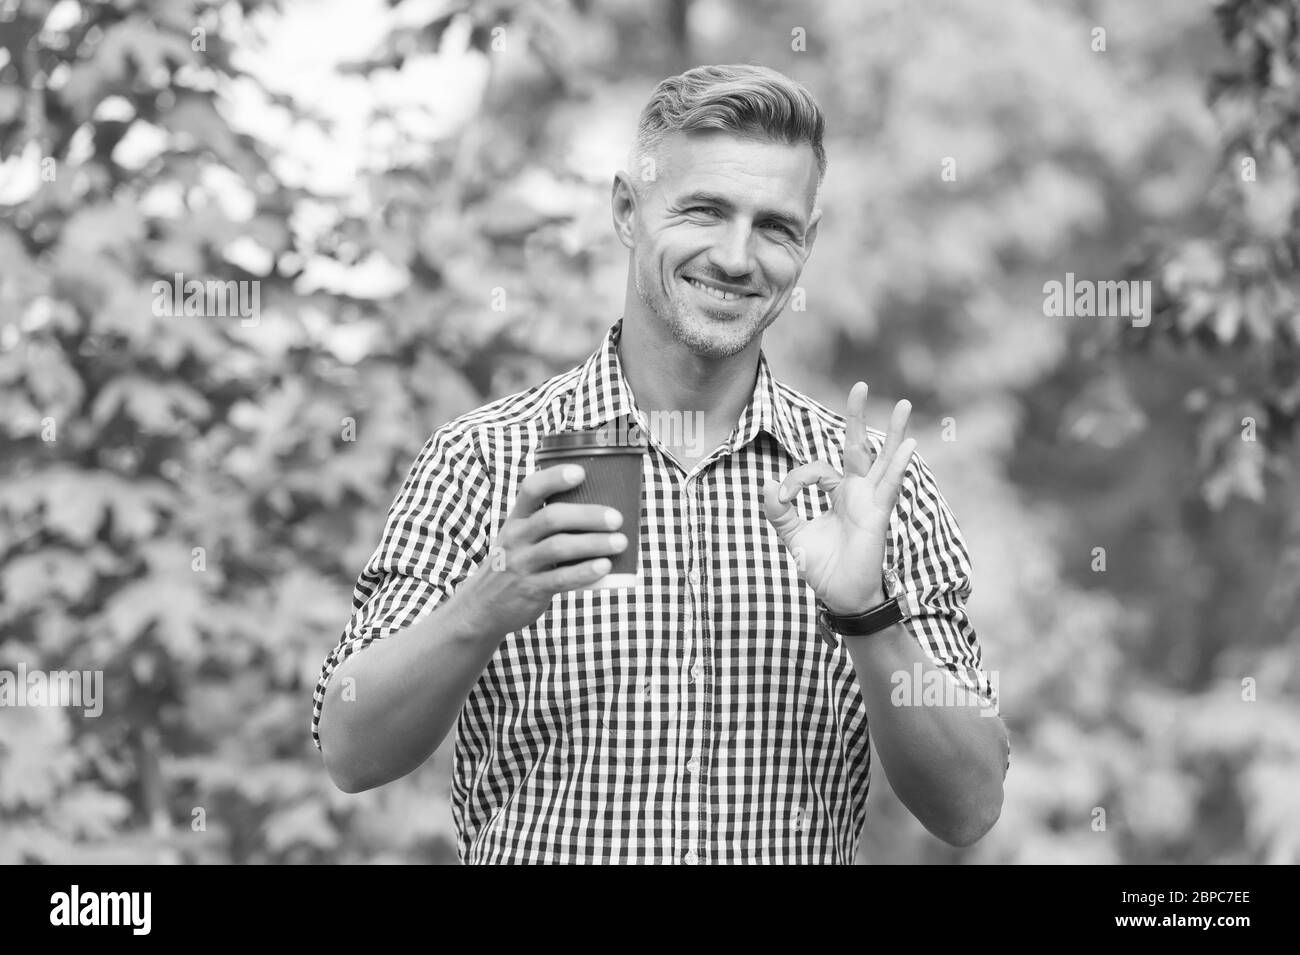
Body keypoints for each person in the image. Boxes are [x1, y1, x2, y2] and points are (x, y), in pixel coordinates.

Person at [311, 63, 1009, 864]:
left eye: (774, 227)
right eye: (704, 210)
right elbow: (351, 748)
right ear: (626, 210)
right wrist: (485, 604)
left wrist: (868, 616)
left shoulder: (868, 489)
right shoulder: (484, 458)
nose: (737, 257)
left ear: (807, 245)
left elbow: (970, 806)